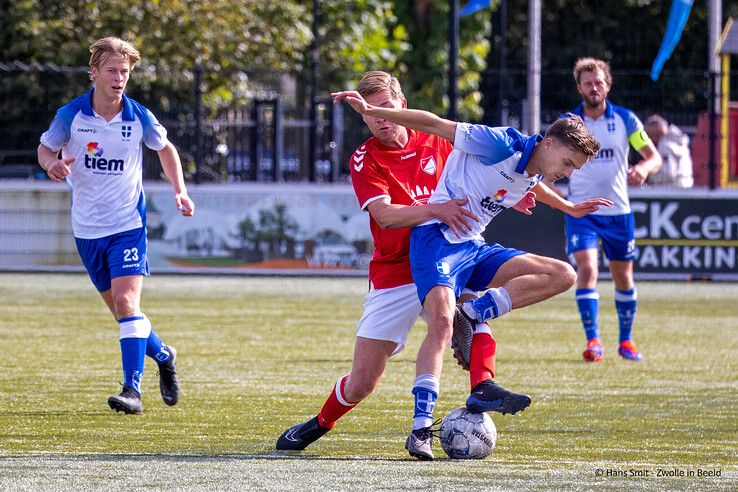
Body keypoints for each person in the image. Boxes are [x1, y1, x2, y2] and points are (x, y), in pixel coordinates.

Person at [332, 89, 611, 460]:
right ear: (549, 143)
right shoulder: (499, 143)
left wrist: (569, 207)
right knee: (441, 324)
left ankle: (477, 317)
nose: (568, 172)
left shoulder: (532, 167)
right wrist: (369, 109)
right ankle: (420, 430)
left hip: (472, 247)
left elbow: (532, 183)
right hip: (436, 241)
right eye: (569, 163)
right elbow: (434, 124)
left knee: (562, 274)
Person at [275, 71, 482, 456]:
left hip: (443, 259)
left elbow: (488, 169)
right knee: (362, 382)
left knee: (461, 313)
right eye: (371, 114)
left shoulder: (437, 140)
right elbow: (386, 217)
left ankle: (434, 419)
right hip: (394, 272)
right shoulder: (364, 158)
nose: (381, 119)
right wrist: (436, 209)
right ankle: (319, 423)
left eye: (386, 108)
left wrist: (522, 193)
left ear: (403, 104)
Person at [37, 37, 194, 414]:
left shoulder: (138, 116)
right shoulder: (71, 115)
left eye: (125, 71)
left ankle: (132, 391)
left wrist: (180, 191)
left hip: (127, 224)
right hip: (87, 230)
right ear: (94, 73)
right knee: (125, 315)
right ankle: (164, 354)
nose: (119, 78)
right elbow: (45, 147)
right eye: (112, 70)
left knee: (127, 303)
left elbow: (166, 149)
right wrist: (50, 164)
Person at [568, 57, 662, 363]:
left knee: (624, 277)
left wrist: (644, 169)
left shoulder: (626, 120)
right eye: (587, 83)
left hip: (619, 212)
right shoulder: (570, 124)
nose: (593, 88)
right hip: (581, 211)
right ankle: (593, 341)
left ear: (607, 85)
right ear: (579, 86)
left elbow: (653, 156)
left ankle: (626, 341)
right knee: (588, 268)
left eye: (599, 82)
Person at [644, 114, 694, 188]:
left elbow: (668, 173)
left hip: (671, 190)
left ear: (656, 130)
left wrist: (648, 174)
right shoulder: (678, 140)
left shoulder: (665, 146)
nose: (649, 138)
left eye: (649, 134)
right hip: (685, 186)